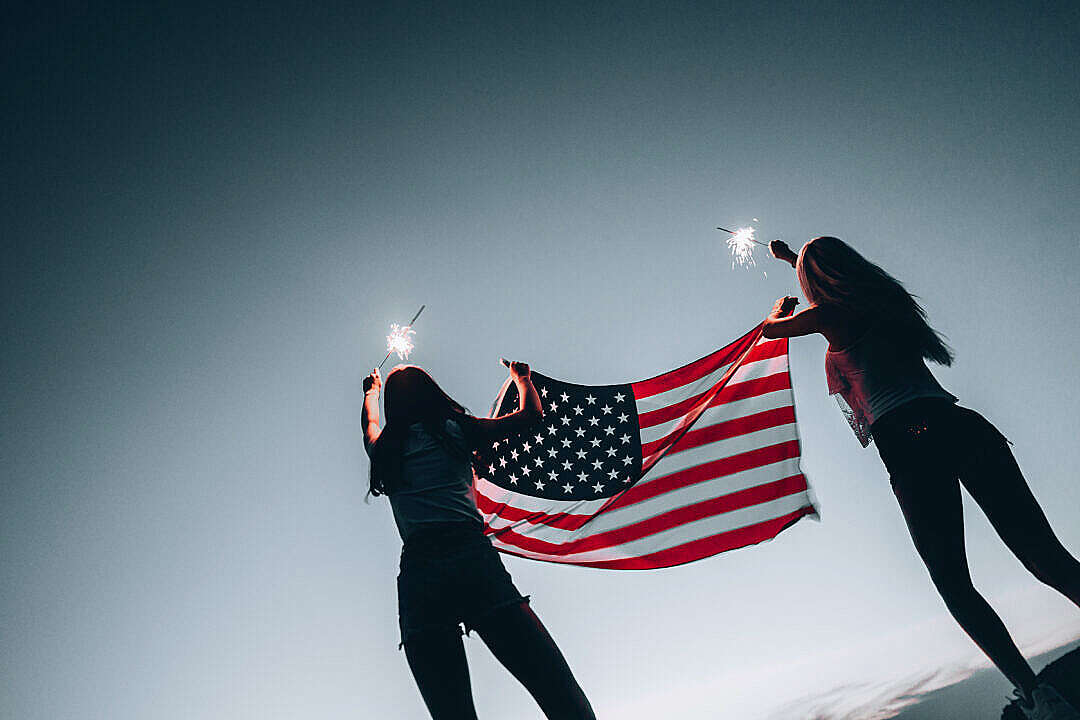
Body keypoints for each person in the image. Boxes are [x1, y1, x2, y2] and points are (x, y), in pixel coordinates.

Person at [763, 236, 1080, 720]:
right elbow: (831, 282)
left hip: (912, 444)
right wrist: (793, 261)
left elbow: (772, 331)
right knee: (1042, 554)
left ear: (814, 282)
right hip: (961, 425)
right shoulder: (884, 299)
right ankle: (1039, 694)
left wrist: (781, 303)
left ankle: (1038, 697)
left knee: (952, 582)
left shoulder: (826, 315)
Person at [362, 362, 595, 720]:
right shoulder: (455, 431)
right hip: (471, 560)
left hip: (419, 576)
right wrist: (523, 380)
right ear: (432, 393)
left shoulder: (385, 452)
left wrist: (371, 393)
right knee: (554, 687)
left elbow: (371, 426)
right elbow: (531, 416)